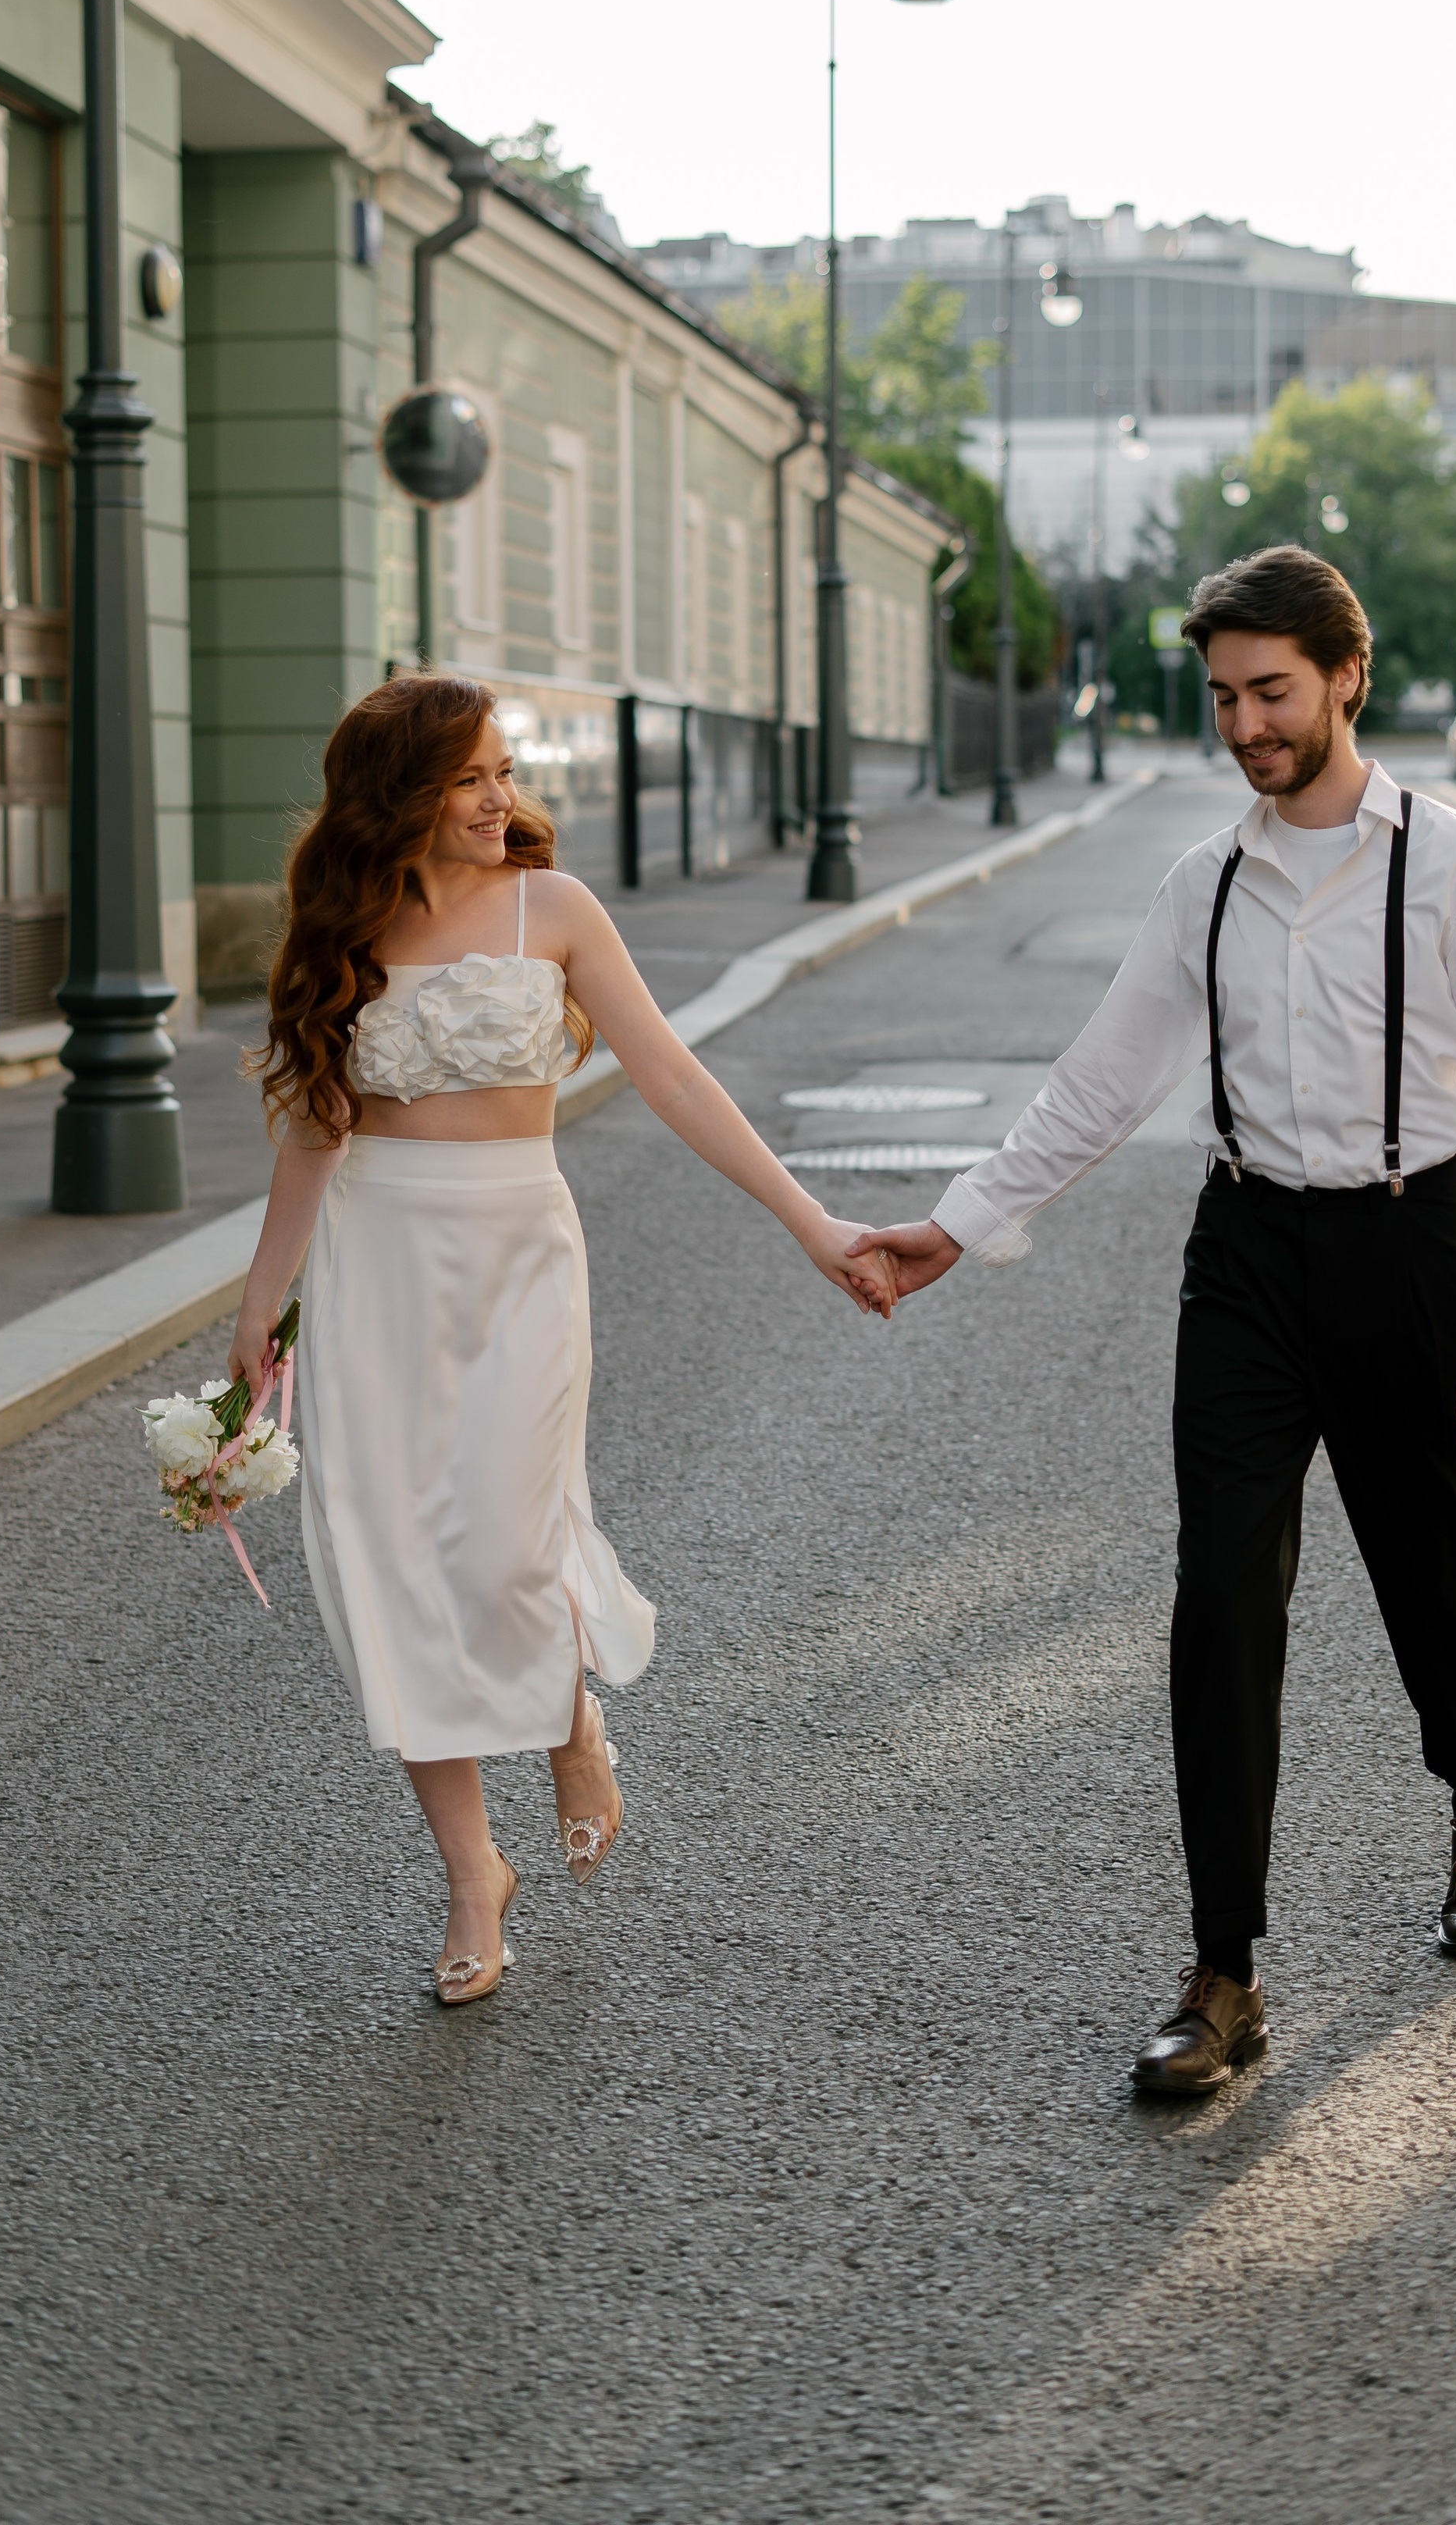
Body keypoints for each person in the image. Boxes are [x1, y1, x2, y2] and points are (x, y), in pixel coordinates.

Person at [850, 545, 1456, 2094]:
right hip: (1247, 1251)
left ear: (1343, 678)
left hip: (1414, 1246)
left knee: (1433, 1569)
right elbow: (1099, 1078)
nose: (1245, 725)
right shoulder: (1204, 883)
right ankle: (1223, 1972)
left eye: (1269, 691)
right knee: (1217, 1596)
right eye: (1222, 698)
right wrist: (959, 1221)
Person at [228, 671, 893, 2007]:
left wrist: (812, 1224)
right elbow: (315, 1129)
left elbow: (675, 1076)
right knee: (391, 1558)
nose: (501, 801)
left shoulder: (556, 910)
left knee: (506, 1535)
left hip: (521, 1252)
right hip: (377, 1258)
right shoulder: (339, 922)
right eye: (471, 777)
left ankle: (569, 1718)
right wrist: (261, 1307)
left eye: (505, 772)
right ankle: (476, 1876)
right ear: (400, 795)